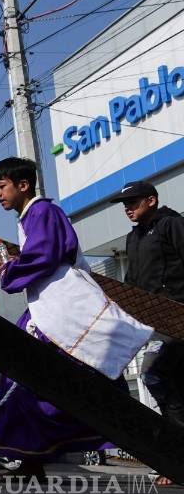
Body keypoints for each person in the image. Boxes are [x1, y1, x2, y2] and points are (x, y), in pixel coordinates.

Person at [0, 157, 153, 480]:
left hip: (64, 309)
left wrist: (11, 269)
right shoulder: (31, 215)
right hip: (49, 309)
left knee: (77, 380)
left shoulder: (43, 212)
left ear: (23, 185)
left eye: (1, 186)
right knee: (27, 378)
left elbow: (46, 255)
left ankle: (152, 443)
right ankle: (29, 457)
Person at [111, 180, 184, 430]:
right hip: (153, 321)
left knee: (153, 373)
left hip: (177, 317)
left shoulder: (171, 224)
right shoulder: (133, 238)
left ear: (151, 200)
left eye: (132, 202)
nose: (127, 209)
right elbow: (131, 282)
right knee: (173, 379)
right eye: (124, 205)